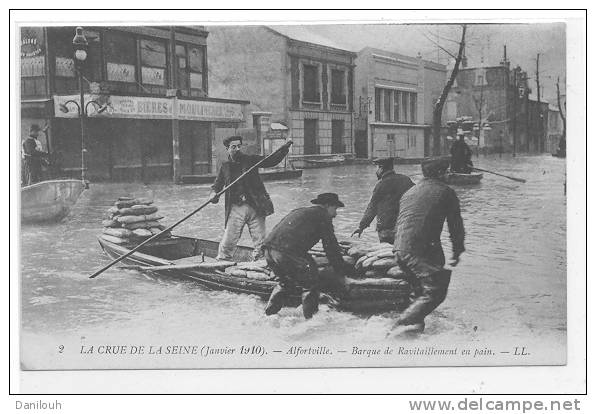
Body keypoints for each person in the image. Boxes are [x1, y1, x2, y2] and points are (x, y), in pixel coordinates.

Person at [389, 158, 465, 336]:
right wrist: (457, 251)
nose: (449, 174)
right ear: (440, 174)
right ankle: (398, 327)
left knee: (419, 291)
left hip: (399, 248)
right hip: (417, 250)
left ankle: (413, 332)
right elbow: (456, 227)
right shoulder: (446, 192)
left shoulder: (411, 191)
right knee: (436, 291)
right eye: (447, 171)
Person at [262, 193, 353, 319]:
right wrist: (341, 270)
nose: (335, 214)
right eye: (335, 209)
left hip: (268, 250)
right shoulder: (323, 216)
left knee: (285, 282)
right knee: (311, 282)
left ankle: (269, 314)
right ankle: (311, 320)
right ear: (327, 206)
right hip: (286, 252)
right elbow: (330, 246)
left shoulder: (302, 211)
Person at [210, 136, 291, 261]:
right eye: (233, 147)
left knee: (261, 242)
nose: (237, 149)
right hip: (236, 208)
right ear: (227, 149)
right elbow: (217, 185)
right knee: (229, 241)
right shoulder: (225, 166)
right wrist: (213, 194)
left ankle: (261, 263)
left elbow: (271, 161)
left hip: (256, 206)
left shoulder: (251, 160)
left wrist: (285, 149)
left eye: (239, 146)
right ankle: (222, 262)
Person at [351, 157, 414, 244]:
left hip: (387, 228)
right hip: (405, 226)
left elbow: (372, 208)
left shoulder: (381, 185)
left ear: (381, 168)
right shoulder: (406, 179)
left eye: (376, 168)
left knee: (388, 253)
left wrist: (361, 226)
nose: (376, 171)